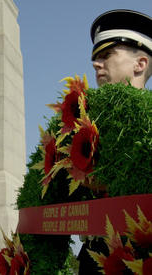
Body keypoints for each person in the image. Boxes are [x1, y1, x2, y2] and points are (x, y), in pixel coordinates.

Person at [77, 9, 152, 274]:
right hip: (94, 255)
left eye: (106, 55)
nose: (96, 64)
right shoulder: (80, 123)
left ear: (140, 64)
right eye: (95, 58)